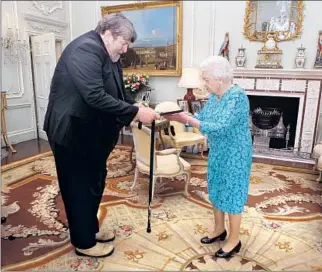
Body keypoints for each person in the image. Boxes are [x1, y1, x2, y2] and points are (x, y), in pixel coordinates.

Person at [43, 13, 160, 258]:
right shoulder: (85, 49)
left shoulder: (111, 54)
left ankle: (89, 230)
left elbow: (118, 93)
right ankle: (84, 243)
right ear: (108, 33)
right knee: (78, 186)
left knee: (94, 183)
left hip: (90, 133)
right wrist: (136, 112)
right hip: (72, 133)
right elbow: (94, 96)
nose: (126, 48)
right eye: (124, 42)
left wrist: (139, 107)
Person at [164, 56, 252, 258]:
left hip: (235, 154)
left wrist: (187, 119)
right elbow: (202, 120)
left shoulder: (237, 96)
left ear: (219, 78)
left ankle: (234, 239)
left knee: (232, 194)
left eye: (206, 79)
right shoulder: (215, 97)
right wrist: (179, 116)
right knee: (216, 187)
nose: (204, 83)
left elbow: (220, 127)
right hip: (219, 151)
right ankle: (220, 229)